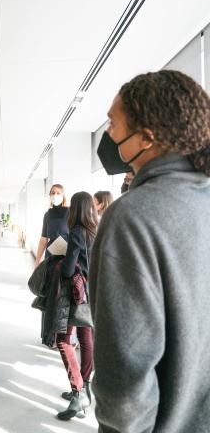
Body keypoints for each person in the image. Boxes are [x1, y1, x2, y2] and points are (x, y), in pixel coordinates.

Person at [90, 70, 210, 432]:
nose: (109, 134)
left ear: (147, 137)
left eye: (113, 123)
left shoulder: (132, 217)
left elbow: (126, 377)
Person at [56, 191, 98, 421]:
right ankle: (85, 388)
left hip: (76, 294)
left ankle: (77, 391)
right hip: (94, 293)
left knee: (63, 340)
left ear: (75, 209)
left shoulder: (77, 232)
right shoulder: (96, 230)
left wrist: (62, 260)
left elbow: (69, 269)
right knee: (86, 338)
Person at [35, 184, 69, 267]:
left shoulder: (70, 212)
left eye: (58, 193)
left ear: (63, 195)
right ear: (50, 195)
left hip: (67, 255)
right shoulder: (47, 214)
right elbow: (43, 239)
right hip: (50, 255)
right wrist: (37, 262)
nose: (55, 195)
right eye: (53, 193)